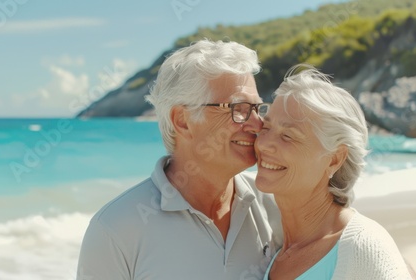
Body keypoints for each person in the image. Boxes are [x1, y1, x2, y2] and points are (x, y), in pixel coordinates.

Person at [76, 39, 283, 280]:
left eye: (258, 108)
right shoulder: (114, 229)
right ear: (182, 120)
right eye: (238, 108)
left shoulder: (275, 206)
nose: (257, 124)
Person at [255, 65, 414, 279]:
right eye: (265, 128)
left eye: (288, 136)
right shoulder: (276, 252)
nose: (264, 145)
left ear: (335, 159)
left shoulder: (362, 247)